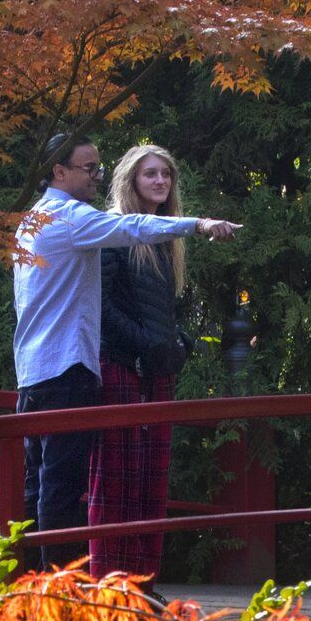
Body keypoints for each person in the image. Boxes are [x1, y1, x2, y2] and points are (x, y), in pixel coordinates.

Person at [12, 131, 235, 568]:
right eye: (88, 168)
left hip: (32, 371)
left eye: (99, 166)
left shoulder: (30, 222)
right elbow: (131, 226)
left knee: (38, 490)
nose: (97, 175)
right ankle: (61, 600)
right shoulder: (71, 218)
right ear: (59, 171)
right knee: (62, 493)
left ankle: (34, 597)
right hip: (67, 370)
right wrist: (198, 224)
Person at [90, 144, 201, 580]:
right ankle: (108, 584)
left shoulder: (167, 238)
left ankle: (143, 579)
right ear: (131, 181)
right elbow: (101, 307)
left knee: (152, 478)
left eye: (165, 175)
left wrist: (179, 344)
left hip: (157, 370)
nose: (159, 182)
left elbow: (171, 308)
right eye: (149, 174)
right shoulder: (114, 233)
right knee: (116, 477)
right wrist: (143, 345)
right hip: (119, 364)